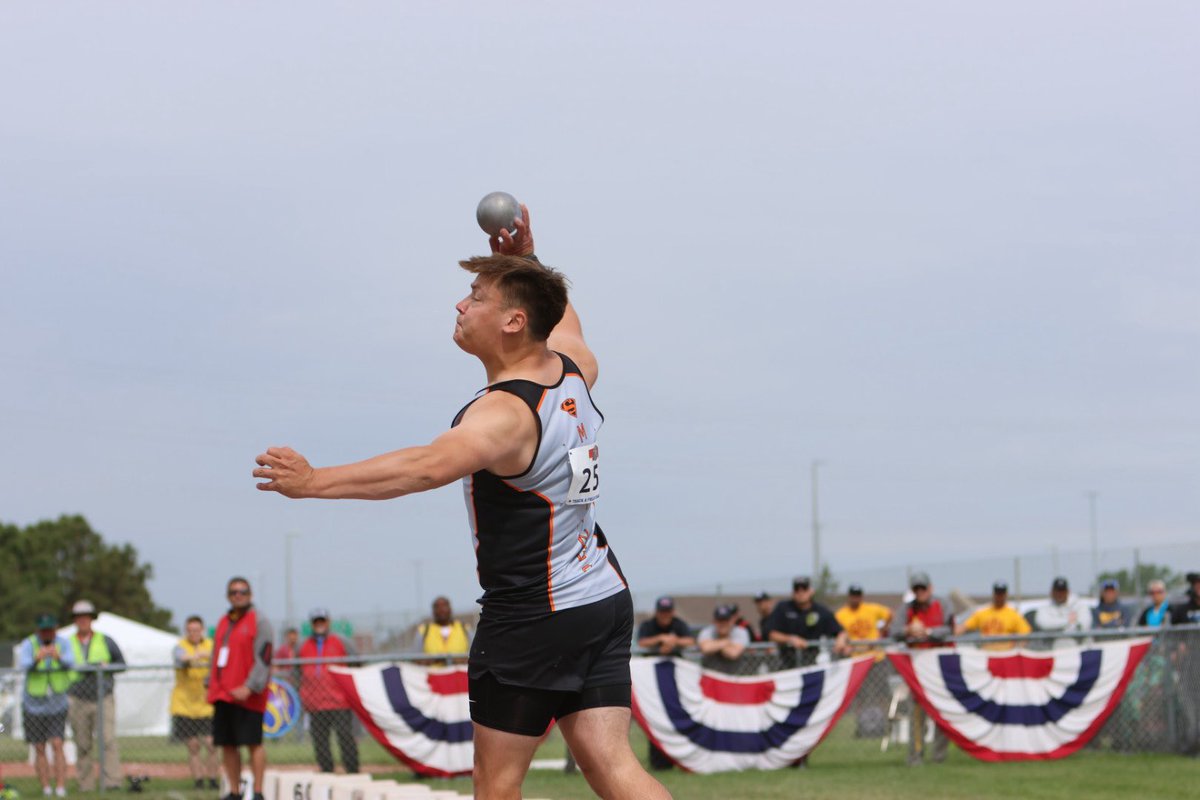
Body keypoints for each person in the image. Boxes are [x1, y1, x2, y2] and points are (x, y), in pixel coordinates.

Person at [252, 207, 671, 800]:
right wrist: (522, 258)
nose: (460, 305)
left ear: (513, 322)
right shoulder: (574, 371)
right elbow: (560, 317)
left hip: (533, 616)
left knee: (495, 786)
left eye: (475, 295)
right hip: (600, 597)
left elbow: (425, 468)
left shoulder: (504, 414)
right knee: (613, 767)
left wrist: (314, 480)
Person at [207, 577, 274, 800]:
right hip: (224, 695)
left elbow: (264, 657)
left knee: (253, 743)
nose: (238, 595)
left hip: (248, 696)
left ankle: (258, 792)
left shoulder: (260, 621)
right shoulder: (224, 622)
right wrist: (212, 683)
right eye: (234, 592)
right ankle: (234, 792)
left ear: (250, 594)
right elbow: (216, 654)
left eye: (242, 592)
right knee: (228, 745)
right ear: (228, 596)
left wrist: (250, 686)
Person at [892, 572, 952, 766]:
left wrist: (928, 632)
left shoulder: (942, 604)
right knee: (916, 714)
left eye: (923, 588)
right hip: (916, 670)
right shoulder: (907, 609)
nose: (920, 592)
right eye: (916, 589)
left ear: (930, 588)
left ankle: (939, 756)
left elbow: (949, 629)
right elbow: (894, 631)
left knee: (942, 712)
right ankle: (916, 756)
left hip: (940, 668)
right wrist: (908, 631)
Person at [65, 599, 125, 792]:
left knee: (107, 740)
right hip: (78, 698)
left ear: (91, 619)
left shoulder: (105, 640)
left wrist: (106, 667)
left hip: (102, 697)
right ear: (75, 620)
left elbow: (122, 663)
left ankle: (112, 782)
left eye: (86, 617)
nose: (83, 621)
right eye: (79, 617)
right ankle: (86, 784)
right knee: (82, 743)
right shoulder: (67, 643)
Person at [635, 596, 696, 771]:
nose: (665, 616)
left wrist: (673, 642)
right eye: (662, 612)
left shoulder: (678, 624)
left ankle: (677, 759)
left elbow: (690, 640)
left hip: (673, 681)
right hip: (650, 683)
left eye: (668, 612)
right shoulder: (649, 625)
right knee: (654, 718)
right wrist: (662, 638)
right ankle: (658, 762)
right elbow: (642, 642)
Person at [18, 613, 75, 798]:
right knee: (39, 747)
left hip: (57, 704)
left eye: (50, 629)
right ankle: (45, 788)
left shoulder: (63, 643)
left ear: (55, 628)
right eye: (43, 630)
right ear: (38, 630)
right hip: (33, 705)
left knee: (58, 743)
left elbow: (71, 662)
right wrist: (37, 658)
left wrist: (58, 657)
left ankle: (60, 787)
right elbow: (23, 664)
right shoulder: (29, 644)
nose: (47, 633)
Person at [299, 608, 359, 775]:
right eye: (316, 621)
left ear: (328, 622)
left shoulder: (340, 641)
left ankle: (352, 769)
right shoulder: (303, 645)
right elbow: (297, 670)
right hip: (315, 702)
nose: (319, 625)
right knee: (320, 740)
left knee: (345, 736)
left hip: (339, 700)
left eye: (322, 621)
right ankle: (326, 770)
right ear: (312, 624)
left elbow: (356, 663)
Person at [171, 615, 218, 790]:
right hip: (185, 704)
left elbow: (218, 656)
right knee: (193, 745)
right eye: (190, 630)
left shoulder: (210, 645)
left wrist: (202, 654)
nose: (193, 633)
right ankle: (198, 781)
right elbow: (180, 658)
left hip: (207, 705)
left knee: (212, 744)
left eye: (196, 630)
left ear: (202, 630)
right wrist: (196, 656)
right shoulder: (180, 646)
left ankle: (213, 779)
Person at [766, 576, 851, 668]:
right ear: (792, 592)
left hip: (813, 664)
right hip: (787, 664)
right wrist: (790, 639)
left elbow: (841, 632)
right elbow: (771, 633)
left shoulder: (821, 611)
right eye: (797, 589)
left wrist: (841, 640)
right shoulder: (783, 608)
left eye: (804, 589)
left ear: (811, 591)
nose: (801, 592)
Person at [954, 581, 1031, 650]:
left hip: (1005, 654)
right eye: (997, 593)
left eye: (1001, 594)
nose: (999, 597)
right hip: (987, 654)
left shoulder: (1013, 614)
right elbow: (964, 627)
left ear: (1006, 595)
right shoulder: (983, 613)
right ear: (993, 594)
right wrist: (951, 633)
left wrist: (1017, 649)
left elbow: (1025, 633)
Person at [1026, 577, 1093, 649]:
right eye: (1057, 591)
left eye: (1062, 591)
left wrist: (1055, 627)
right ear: (1052, 592)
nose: (1060, 594)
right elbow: (1043, 623)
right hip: (1053, 653)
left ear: (1068, 592)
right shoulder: (1045, 607)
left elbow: (1084, 625)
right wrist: (1068, 621)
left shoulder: (1080, 605)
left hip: (1078, 651)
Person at [835, 584, 893, 660]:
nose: (855, 598)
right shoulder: (841, 614)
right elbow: (838, 632)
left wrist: (882, 630)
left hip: (875, 655)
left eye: (858, 595)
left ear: (861, 596)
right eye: (853, 595)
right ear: (849, 596)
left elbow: (890, 614)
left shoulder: (871, 608)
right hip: (855, 657)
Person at [414, 596, 472, 661]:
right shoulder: (423, 630)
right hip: (433, 670)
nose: (441, 610)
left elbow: (474, 654)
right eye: (437, 607)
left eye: (444, 606)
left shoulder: (464, 628)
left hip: (459, 670)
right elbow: (416, 658)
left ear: (450, 609)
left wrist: (458, 660)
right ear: (433, 611)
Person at [696, 604, 749, 675]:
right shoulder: (707, 631)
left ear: (732, 621)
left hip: (736, 677)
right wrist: (726, 642)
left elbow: (733, 653)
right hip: (710, 677)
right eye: (720, 620)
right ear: (714, 621)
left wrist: (715, 645)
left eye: (726, 620)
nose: (723, 624)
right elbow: (706, 648)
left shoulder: (741, 632)